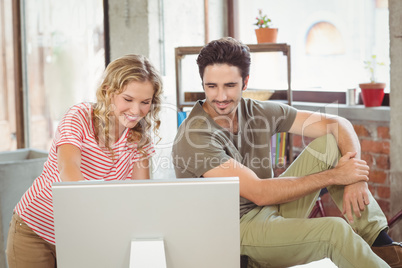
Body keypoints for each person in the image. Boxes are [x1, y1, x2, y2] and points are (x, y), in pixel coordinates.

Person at [172, 37, 402, 267]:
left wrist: (355, 178)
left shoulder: (256, 111)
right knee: (334, 231)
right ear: (203, 83)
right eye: (211, 86)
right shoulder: (194, 136)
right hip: (235, 231)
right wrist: (337, 175)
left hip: (269, 211)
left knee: (330, 144)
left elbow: (337, 123)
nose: (220, 97)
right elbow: (259, 192)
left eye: (229, 86)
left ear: (245, 82)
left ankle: (382, 245)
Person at [6, 54, 163, 268]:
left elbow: (138, 193)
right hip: (35, 229)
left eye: (145, 102)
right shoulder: (79, 116)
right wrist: (93, 224)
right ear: (108, 92)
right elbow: (68, 169)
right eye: (128, 99)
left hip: (84, 235)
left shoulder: (140, 138)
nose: (136, 111)